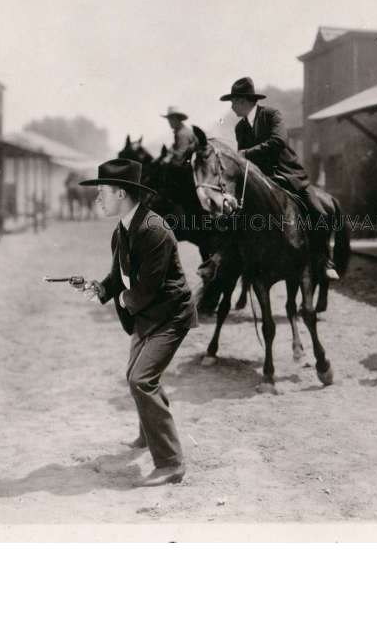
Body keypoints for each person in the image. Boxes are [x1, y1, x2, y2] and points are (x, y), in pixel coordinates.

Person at [76, 158, 197, 487]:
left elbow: (144, 290)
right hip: (148, 313)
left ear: (120, 193)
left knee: (141, 380)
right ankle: (148, 437)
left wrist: (118, 299)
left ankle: (171, 463)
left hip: (171, 315)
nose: (98, 198)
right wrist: (100, 289)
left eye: (102, 191)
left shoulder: (154, 229)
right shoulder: (123, 229)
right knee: (139, 376)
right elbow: (120, 277)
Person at [221, 76, 339, 280]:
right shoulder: (240, 128)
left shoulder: (271, 115)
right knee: (233, 215)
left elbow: (278, 141)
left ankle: (325, 259)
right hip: (259, 180)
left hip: (287, 175)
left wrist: (246, 153)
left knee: (318, 212)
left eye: (233, 102)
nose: (232, 107)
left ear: (243, 101)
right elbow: (242, 161)